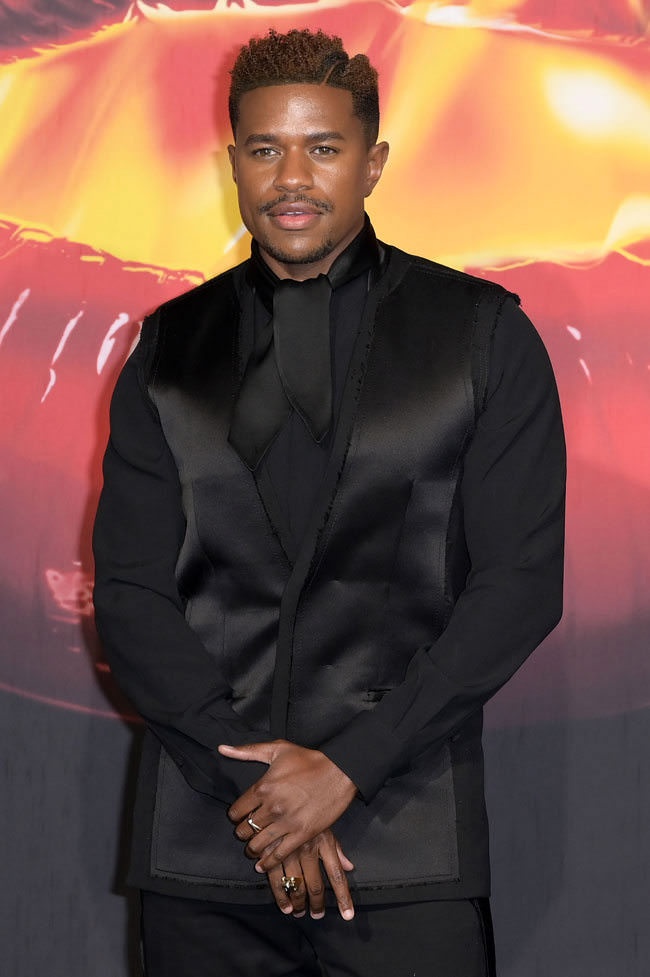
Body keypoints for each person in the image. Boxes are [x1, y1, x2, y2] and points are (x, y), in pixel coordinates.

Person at [92, 27, 566, 977]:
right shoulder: (166, 352)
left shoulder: (482, 337)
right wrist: (260, 791)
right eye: (265, 149)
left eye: (323, 147)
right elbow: (132, 595)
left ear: (373, 162)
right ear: (234, 164)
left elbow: (518, 586)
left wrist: (350, 765)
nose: (292, 178)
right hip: (207, 845)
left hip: (405, 840)